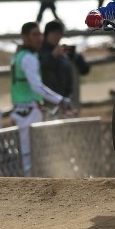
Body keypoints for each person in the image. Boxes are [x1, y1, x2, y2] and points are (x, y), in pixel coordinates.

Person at [10, 21, 75, 175]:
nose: (39, 38)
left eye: (39, 34)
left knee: (29, 155)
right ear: (24, 37)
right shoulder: (28, 58)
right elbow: (37, 87)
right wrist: (60, 100)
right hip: (28, 112)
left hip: (22, 110)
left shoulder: (19, 55)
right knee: (29, 157)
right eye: (34, 35)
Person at [40, 19, 90, 100]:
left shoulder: (63, 51)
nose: (56, 36)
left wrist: (75, 55)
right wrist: (52, 56)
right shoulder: (39, 51)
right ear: (46, 34)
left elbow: (84, 69)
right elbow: (40, 69)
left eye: (59, 33)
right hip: (46, 98)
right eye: (53, 33)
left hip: (64, 98)